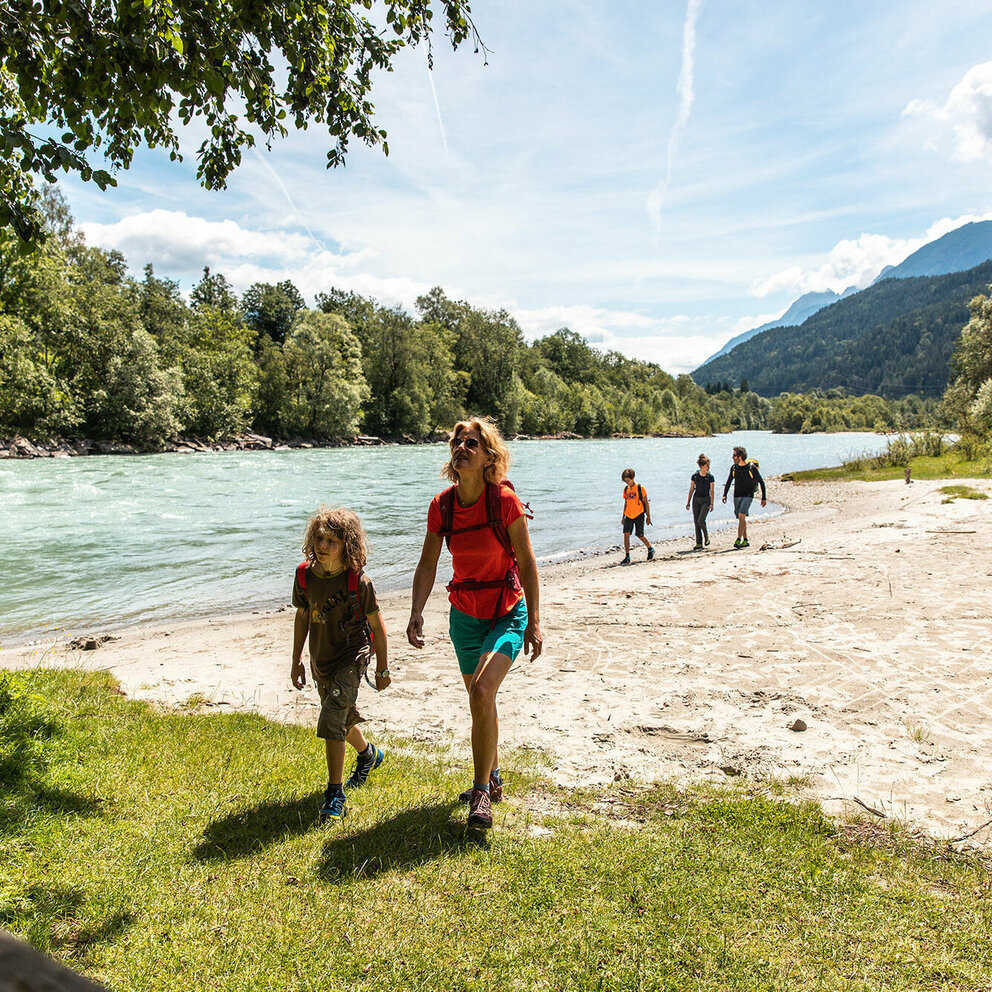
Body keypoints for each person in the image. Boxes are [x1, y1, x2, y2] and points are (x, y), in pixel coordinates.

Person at [407, 417, 543, 830]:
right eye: (458, 442)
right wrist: (416, 610)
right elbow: (428, 562)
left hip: (506, 608)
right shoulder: (442, 505)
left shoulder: (503, 500)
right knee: (480, 700)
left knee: (482, 691)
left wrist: (534, 620)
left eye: (472, 443)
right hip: (464, 614)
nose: (462, 447)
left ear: (488, 457)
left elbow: (527, 559)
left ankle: (481, 792)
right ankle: (495, 777)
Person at [291, 506, 391, 822]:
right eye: (319, 538)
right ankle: (368, 755)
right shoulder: (304, 576)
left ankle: (334, 794)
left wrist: (382, 667)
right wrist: (296, 660)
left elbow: (377, 627)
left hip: (352, 657)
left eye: (332, 541)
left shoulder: (358, 582)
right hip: (321, 658)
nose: (323, 546)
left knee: (331, 718)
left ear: (347, 544)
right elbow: (303, 616)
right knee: (341, 718)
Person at [721, 445, 767, 548]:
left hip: (748, 495)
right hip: (737, 495)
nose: (732, 457)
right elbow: (728, 482)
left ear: (740, 456)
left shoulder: (751, 468)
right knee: (741, 519)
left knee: (742, 515)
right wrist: (724, 494)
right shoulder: (734, 468)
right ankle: (746, 540)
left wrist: (764, 498)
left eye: (734, 455)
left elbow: (761, 482)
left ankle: (738, 539)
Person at [620, 468, 654, 564]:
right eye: (625, 481)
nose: (627, 482)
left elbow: (646, 503)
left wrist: (648, 517)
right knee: (626, 534)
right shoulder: (626, 489)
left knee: (639, 535)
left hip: (639, 514)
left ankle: (650, 549)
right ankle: (627, 556)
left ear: (632, 477)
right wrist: (623, 516)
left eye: (628, 480)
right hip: (628, 515)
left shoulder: (640, 488)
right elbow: (626, 503)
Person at [686, 453, 715, 551]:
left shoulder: (710, 477)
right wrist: (688, 502)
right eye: (707, 466)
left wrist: (712, 503)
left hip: (706, 500)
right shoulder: (694, 476)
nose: (708, 468)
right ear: (702, 466)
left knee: (701, 520)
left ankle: (706, 536)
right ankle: (699, 543)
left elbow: (712, 491)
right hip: (696, 500)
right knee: (696, 522)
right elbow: (691, 489)